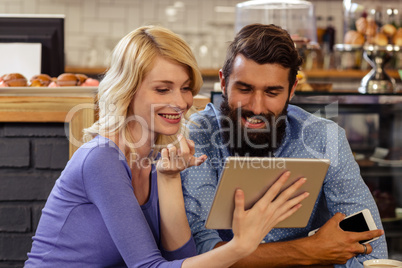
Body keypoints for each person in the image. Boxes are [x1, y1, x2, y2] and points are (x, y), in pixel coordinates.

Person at [24, 25, 309, 267]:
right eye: (163, 89)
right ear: (128, 89)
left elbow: (180, 258)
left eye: (185, 88)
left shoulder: (156, 160)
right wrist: (241, 246)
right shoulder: (101, 159)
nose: (180, 102)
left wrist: (169, 178)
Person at [181, 23, 387, 268]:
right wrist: (311, 251)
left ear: (292, 90)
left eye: (272, 92)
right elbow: (200, 251)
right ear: (224, 83)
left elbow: (370, 249)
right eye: (244, 89)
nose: (257, 107)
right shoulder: (199, 133)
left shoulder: (325, 138)